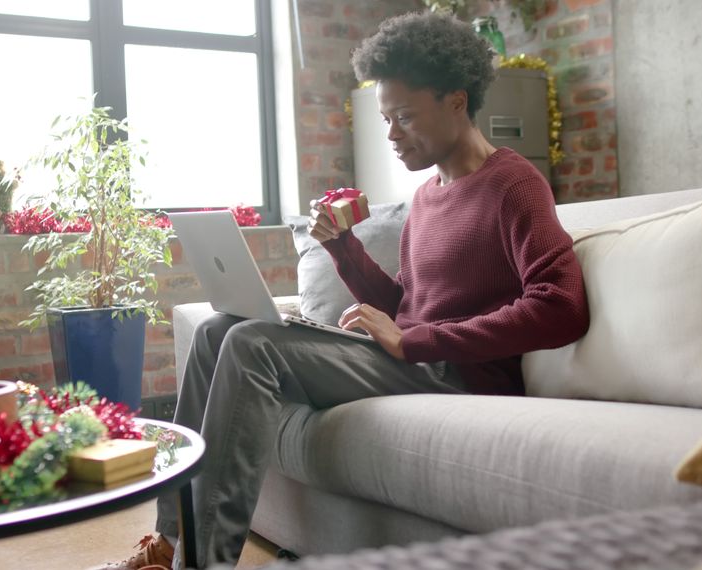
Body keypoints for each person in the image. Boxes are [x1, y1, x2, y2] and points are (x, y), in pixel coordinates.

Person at [98, 10, 589, 570]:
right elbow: (407, 301)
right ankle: (165, 544)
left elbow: (562, 306)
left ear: (457, 100)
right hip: (413, 359)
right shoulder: (428, 196)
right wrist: (343, 248)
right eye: (386, 118)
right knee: (217, 330)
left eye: (404, 117)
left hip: (459, 375)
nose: (391, 134)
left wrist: (415, 342)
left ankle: (201, 564)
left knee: (253, 344)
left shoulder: (515, 183)